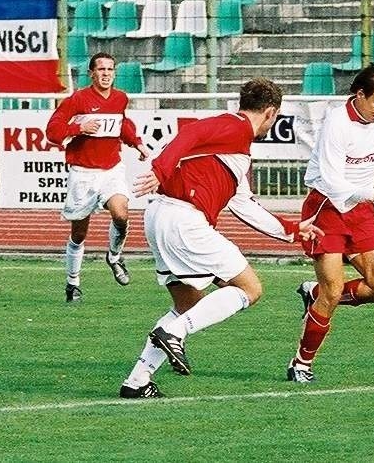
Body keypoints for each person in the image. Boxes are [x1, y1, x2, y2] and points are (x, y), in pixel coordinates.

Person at [119, 77, 323, 399]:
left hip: (161, 217)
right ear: (270, 112)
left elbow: (242, 203)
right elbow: (191, 133)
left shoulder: (235, 147)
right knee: (249, 288)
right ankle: (173, 333)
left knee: (187, 305)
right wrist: (160, 169)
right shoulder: (237, 127)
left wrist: (291, 230)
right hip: (184, 220)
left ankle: (137, 381)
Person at [287, 63, 374, 383]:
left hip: (361, 211)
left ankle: (313, 293)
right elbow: (330, 180)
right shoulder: (336, 123)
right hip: (326, 210)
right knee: (333, 291)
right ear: (360, 95)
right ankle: (301, 363)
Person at [46, 52, 150, 303]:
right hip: (83, 174)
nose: (106, 74)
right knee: (79, 233)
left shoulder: (120, 98)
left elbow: (122, 125)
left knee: (121, 213)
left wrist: (137, 143)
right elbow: (52, 130)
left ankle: (114, 257)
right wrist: (78, 128)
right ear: (91, 73)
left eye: (110, 70)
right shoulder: (78, 100)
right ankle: (73, 283)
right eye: (101, 70)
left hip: (111, 170)